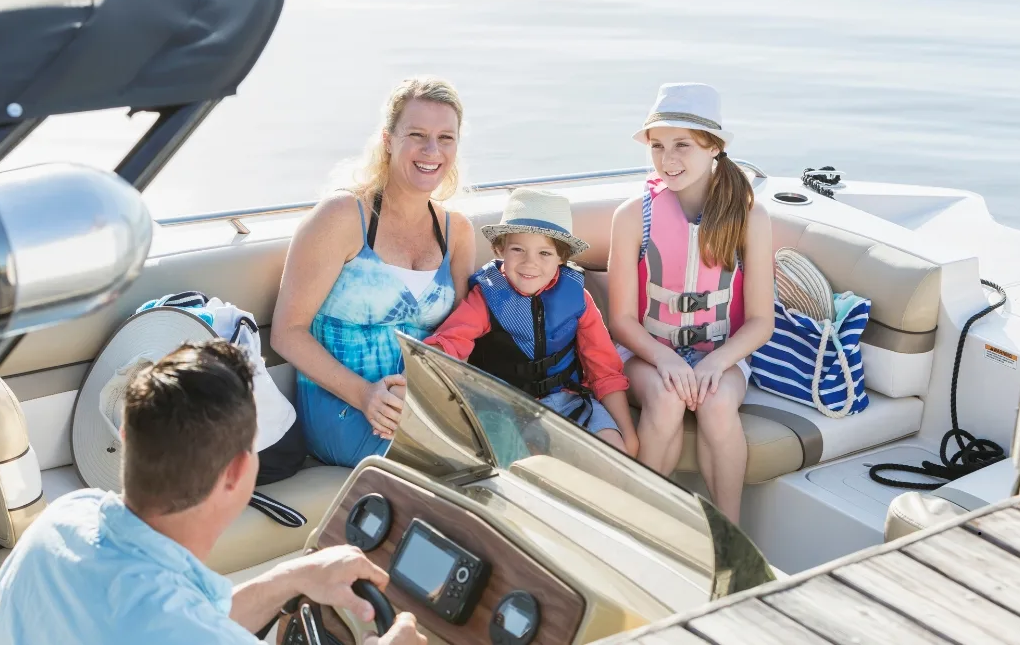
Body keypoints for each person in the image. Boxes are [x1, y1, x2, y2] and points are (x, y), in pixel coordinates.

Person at [0, 340, 425, 645]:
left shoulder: (60, 522)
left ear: (127, 437)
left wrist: (294, 577)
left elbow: (186, 619)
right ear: (238, 471)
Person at [271, 76, 476, 468]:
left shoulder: (458, 232)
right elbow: (286, 332)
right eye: (416, 134)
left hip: (423, 407)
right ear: (388, 140)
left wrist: (432, 401)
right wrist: (367, 395)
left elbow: (461, 337)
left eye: (445, 138)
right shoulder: (343, 217)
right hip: (344, 407)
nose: (431, 150)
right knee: (454, 472)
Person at [606, 83, 774, 524]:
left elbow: (760, 322)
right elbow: (621, 319)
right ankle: (642, 524)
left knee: (717, 403)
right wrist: (665, 359)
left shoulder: (751, 217)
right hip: (645, 352)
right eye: (658, 146)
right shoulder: (631, 216)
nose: (668, 159)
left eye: (682, 145)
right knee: (665, 397)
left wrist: (716, 363)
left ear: (713, 147)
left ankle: (728, 533)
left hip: (723, 355)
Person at [424, 188, 639, 457]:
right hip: (503, 409)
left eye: (544, 254)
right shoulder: (486, 297)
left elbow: (605, 370)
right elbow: (447, 344)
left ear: (562, 257)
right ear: (500, 249)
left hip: (568, 401)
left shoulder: (577, 298)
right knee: (524, 466)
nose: (529, 263)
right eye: (518, 249)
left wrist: (626, 433)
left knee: (616, 454)